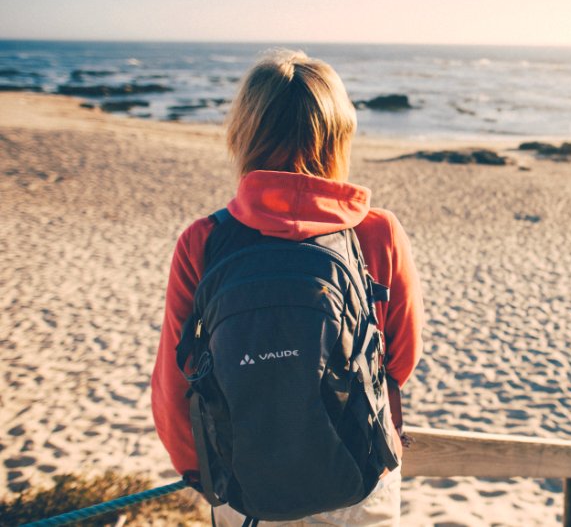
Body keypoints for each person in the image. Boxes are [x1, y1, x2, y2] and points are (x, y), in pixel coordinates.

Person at [151, 49, 425, 526]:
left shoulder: (204, 240)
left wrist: (198, 470)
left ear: (244, 133)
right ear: (339, 136)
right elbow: (401, 357)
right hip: (359, 476)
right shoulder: (376, 232)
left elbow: (175, 383)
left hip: (245, 486)